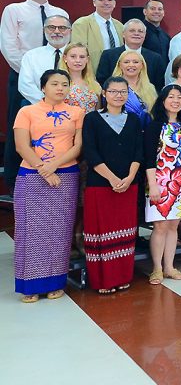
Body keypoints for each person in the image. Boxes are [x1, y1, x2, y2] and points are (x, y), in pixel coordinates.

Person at [12, 69, 84, 302]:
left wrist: (53, 166)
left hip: (66, 174)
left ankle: (56, 283)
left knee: (60, 230)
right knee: (30, 231)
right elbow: (22, 146)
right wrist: (43, 169)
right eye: (54, 84)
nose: (60, 88)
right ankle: (29, 285)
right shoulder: (27, 111)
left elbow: (77, 146)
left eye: (64, 84)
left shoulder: (77, 112)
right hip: (31, 176)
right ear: (43, 87)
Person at [2, 0, 68, 189]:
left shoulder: (59, 12)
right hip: (23, 77)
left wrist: (54, 92)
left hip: (58, 81)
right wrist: (33, 74)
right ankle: (12, 181)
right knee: (18, 129)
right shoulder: (14, 10)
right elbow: (9, 46)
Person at [81, 77, 144, 293]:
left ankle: (123, 276)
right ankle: (103, 282)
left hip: (129, 184)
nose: (119, 95)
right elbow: (90, 152)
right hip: (100, 184)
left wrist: (129, 177)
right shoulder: (92, 119)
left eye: (123, 91)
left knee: (125, 232)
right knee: (101, 232)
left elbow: (139, 151)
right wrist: (112, 178)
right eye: (114, 91)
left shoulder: (134, 120)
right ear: (104, 94)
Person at [143, 85, 181, 286]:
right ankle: (156, 268)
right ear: (162, 101)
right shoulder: (155, 125)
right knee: (160, 226)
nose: (175, 100)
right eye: (171, 96)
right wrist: (153, 184)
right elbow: (148, 157)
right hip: (159, 180)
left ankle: (169, 266)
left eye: (179, 97)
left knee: (174, 225)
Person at [95, 19, 167, 89]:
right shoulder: (108, 55)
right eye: (132, 31)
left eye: (140, 31)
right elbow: (102, 82)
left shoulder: (155, 58)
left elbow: (159, 86)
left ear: (145, 35)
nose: (136, 33)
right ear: (123, 34)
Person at [18, 15, 73, 105]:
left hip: (72, 107)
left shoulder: (79, 55)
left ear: (70, 31)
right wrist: (46, 102)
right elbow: (25, 85)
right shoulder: (31, 56)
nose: (56, 31)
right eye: (51, 27)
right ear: (44, 30)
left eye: (62, 28)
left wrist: (64, 105)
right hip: (38, 106)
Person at [70, 0, 123, 72]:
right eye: (101, 0)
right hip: (92, 74)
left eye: (109, 0)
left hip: (117, 74)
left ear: (114, 3)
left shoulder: (120, 26)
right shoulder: (81, 24)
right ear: (94, 2)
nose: (106, 3)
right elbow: (78, 54)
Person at [112, 51, 157, 128]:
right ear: (120, 65)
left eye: (135, 62)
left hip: (147, 132)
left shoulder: (150, 88)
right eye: (126, 62)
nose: (131, 65)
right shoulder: (112, 87)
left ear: (142, 65)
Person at [61, 43, 101, 113]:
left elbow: (98, 111)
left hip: (90, 123)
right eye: (73, 56)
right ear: (65, 58)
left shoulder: (95, 85)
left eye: (82, 57)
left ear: (87, 59)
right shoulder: (58, 83)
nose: (78, 60)